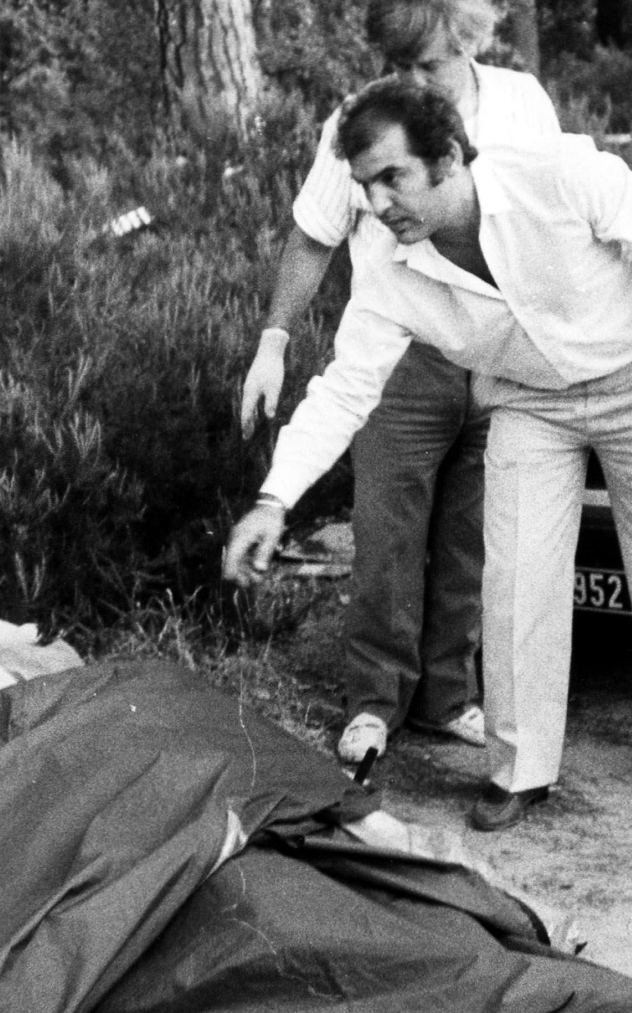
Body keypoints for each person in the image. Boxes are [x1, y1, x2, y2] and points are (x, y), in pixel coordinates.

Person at [223, 79, 632, 832]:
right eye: (365, 186)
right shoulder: (392, 276)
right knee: (514, 584)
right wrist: (274, 500)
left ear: (446, 158)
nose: (377, 204)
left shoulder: (558, 173)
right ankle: (520, 771)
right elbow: (344, 391)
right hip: (531, 405)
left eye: (392, 178)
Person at [238, 0, 560, 765]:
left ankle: (449, 696)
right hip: (395, 350)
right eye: (400, 66)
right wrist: (273, 341)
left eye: (430, 66)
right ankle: (375, 702)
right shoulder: (359, 119)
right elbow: (314, 235)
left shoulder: (522, 103)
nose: (416, 82)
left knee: (470, 537)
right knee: (387, 532)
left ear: (471, 41)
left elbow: (547, 223)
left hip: (496, 349)